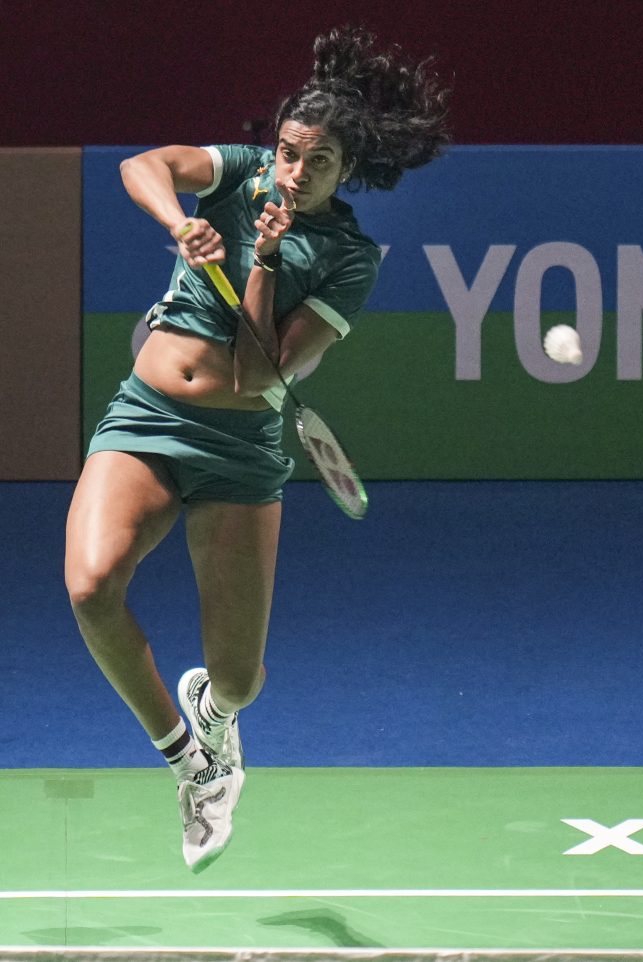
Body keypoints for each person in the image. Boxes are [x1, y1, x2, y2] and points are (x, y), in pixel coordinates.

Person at [65, 25, 450, 873]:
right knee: (91, 587)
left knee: (239, 680)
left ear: (348, 170)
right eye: (288, 152)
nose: (295, 172)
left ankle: (216, 713)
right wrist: (182, 225)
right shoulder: (238, 174)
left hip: (240, 449)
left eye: (319, 162)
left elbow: (254, 374)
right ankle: (191, 764)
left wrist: (265, 261)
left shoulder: (349, 259)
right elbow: (143, 166)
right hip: (148, 418)